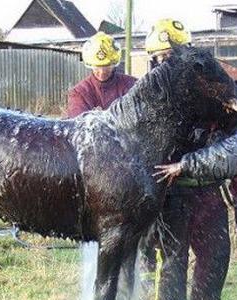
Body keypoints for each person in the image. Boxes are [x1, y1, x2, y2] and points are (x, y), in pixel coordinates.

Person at [140, 18, 232, 300]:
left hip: (208, 189)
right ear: (154, 60)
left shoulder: (214, 85)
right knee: (171, 268)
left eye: (175, 56)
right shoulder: (148, 94)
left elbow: (233, 140)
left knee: (214, 261)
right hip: (169, 194)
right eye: (163, 58)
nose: (170, 63)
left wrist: (197, 158)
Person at [67, 31, 136, 117]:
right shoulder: (79, 93)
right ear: (90, 65)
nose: (102, 72)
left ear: (114, 63)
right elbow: (80, 125)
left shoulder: (132, 86)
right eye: (97, 67)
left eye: (107, 66)